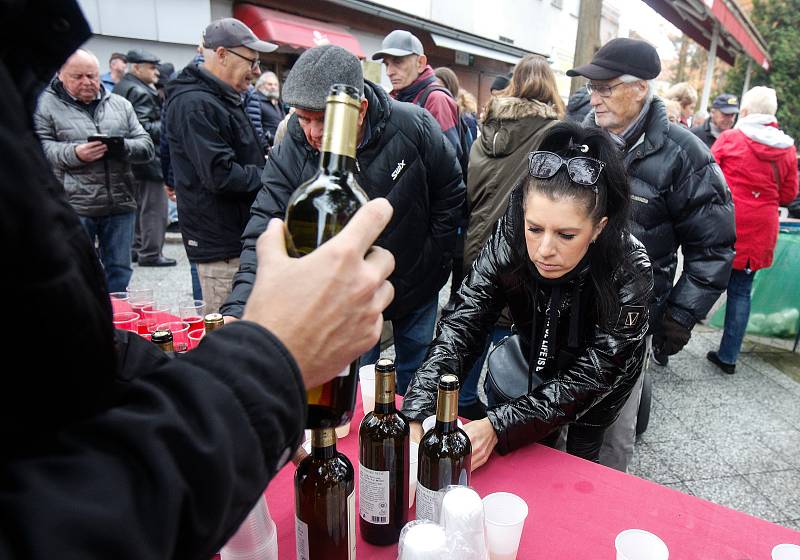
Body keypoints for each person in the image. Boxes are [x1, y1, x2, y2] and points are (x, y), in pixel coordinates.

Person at [2, 2, 396, 556]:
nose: (308, 131)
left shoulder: (16, 81)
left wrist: (208, 374)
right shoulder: (218, 115)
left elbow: (58, 356)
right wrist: (259, 356)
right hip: (210, 244)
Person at [401, 122, 653, 466]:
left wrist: (497, 425)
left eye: (566, 235)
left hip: (603, 383)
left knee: (585, 457)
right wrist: (420, 409)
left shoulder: (629, 266)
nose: (544, 250)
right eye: (534, 228)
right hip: (539, 359)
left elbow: (595, 375)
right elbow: (464, 322)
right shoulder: (509, 238)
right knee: (534, 455)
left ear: (599, 228)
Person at [220, 45, 465, 395]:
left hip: (417, 287)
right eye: (302, 118)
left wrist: (430, 259)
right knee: (349, 386)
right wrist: (241, 306)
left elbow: (451, 192)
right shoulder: (293, 146)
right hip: (347, 298)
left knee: (417, 377)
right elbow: (265, 221)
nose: (312, 132)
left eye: (322, 119)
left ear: (359, 110)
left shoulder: (414, 124)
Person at [567, 37, 735, 471]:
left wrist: (679, 315)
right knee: (551, 418)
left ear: (640, 88)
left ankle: (602, 515)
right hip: (563, 305)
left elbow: (713, 247)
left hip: (628, 319)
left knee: (612, 436)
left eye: (606, 87)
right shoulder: (574, 137)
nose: (594, 96)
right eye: (592, 87)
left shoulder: (685, 153)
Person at [457, 53, 562, 419]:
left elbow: (471, 186)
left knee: (476, 322)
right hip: (521, 248)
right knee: (511, 327)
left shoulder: (487, 125)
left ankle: (464, 399)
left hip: (477, 243)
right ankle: (501, 407)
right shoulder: (554, 134)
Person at [164, 18, 277, 313]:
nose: (256, 70)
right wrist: (270, 174)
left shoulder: (223, 97)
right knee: (229, 336)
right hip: (221, 246)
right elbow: (221, 175)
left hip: (236, 237)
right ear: (222, 54)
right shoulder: (195, 103)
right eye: (251, 61)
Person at [34, 48, 154, 293]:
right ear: (60, 75)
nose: (87, 82)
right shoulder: (44, 105)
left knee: (120, 270)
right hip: (75, 205)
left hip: (120, 203)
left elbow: (146, 145)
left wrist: (121, 146)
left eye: (92, 76)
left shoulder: (120, 104)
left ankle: (117, 324)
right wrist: (75, 153)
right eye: (77, 77)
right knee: (78, 272)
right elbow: (38, 149)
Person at [707, 87, 799, 373]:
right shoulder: (787, 149)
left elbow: (708, 176)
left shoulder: (731, 139)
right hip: (761, 227)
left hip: (726, 221)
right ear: (772, 115)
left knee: (704, 280)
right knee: (741, 290)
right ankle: (729, 356)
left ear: (744, 112)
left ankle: (666, 343)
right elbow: (788, 194)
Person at [113, 48, 176, 267]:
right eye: (151, 67)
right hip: (148, 160)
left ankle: (138, 249)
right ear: (136, 67)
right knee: (153, 210)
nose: (156, 71)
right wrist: (168, 124)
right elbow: (144, 128)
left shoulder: (124, 87)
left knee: (140, 207)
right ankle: (150, 253)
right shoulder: (138, 90)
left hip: (132, 158)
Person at [372, 30, 462, 157]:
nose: (389, 72)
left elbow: (449, 161)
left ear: (420, 63)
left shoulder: (437, 100)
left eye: (398, 62)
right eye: (386, 64)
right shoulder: (396, 98)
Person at [253, 70, 287, 146]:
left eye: (275, 85)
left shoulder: (278, 103)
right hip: (267, 147)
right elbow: (256, 128)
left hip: (279, 146)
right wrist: (268, 140)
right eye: (270, 84)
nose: (273, 87)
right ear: (260, 86)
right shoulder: (256, 101)